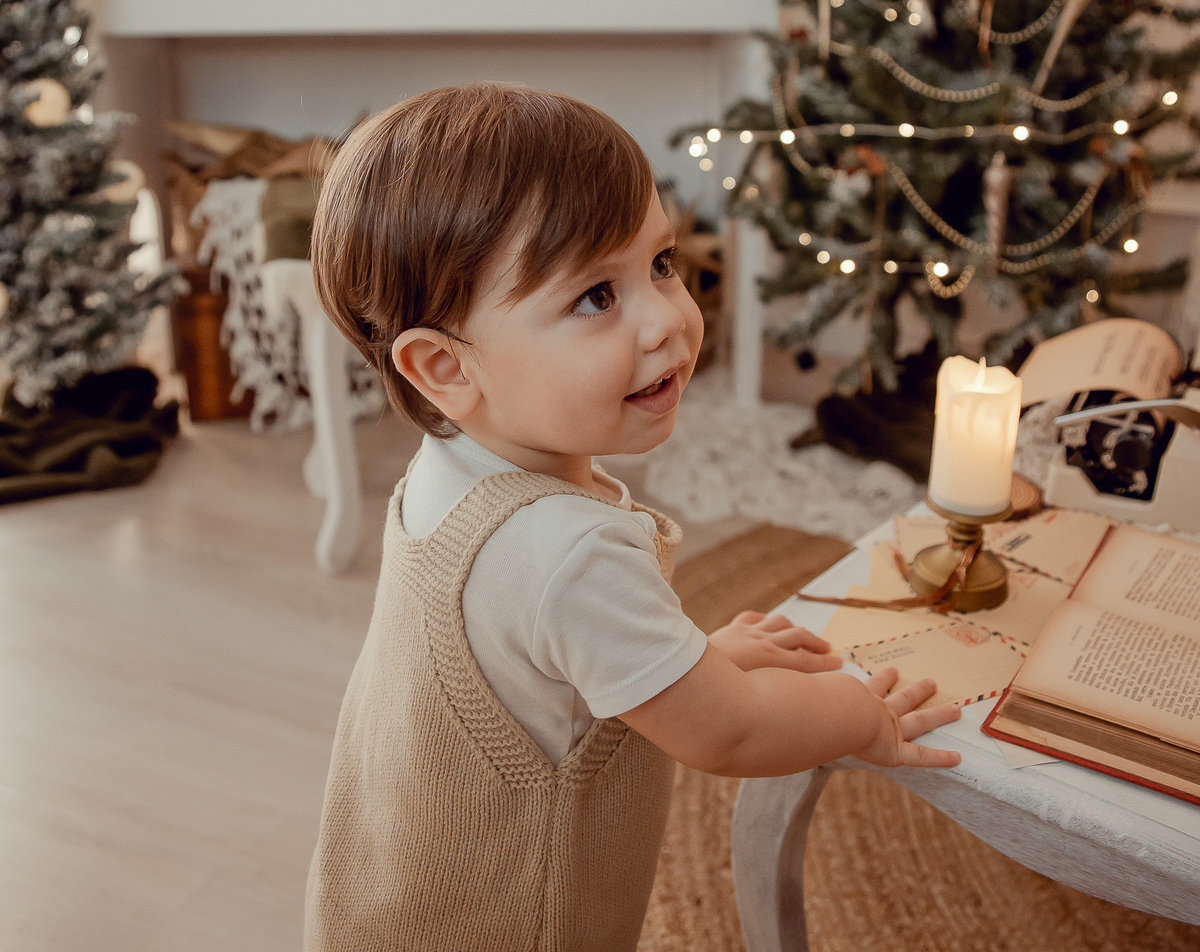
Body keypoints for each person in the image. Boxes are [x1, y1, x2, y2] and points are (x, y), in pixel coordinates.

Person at [304, 83, 961, 952]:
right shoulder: (570, 550)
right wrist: (862, 718)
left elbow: (538, 666)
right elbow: (733, 729)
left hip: (386, 908)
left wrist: (692, 660)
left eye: (660, 263)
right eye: (595, 298)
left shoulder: (446, 473)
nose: (668, 320)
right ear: (446, 368)